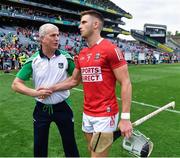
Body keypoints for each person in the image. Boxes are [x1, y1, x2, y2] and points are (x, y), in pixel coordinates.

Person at [49, 10, 132, 157]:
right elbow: (74, 80)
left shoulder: (110, 49)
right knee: (92, 151)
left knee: (97, 155)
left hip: (105, 114)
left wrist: (125, 118)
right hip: (87, 112)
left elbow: (125, 82)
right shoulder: (82, 53)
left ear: (95, 24)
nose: (79, 26)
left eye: (83, 22)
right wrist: (52, 88)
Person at [11, 23, 79, 157]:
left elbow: (76, 79)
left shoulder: (66, 58)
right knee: (39, 148)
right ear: (42, 39)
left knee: (70, 145)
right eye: (53, 35)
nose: (57, 38)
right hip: (41, 109)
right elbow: (16, 84)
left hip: (63, 107)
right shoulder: (33, 60)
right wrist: (36, 93)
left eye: (58, 35)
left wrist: (53, 88)